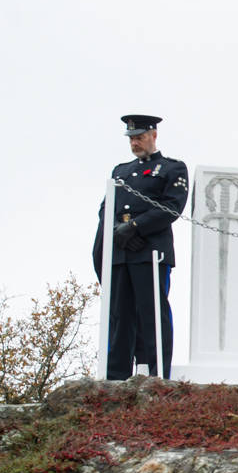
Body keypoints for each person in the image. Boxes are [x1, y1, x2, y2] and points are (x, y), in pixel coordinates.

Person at [92, 115, 188, 380]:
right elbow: (106, 207)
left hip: (150, 253)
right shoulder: (120, 171)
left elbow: (171, 206)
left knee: (152, 314)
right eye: (132, 138)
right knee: (120, 316)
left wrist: (134, 228)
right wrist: (117, 231)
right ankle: (116, 376)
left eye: (140, 137)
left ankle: (157, 375)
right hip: (121, 253)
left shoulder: (171, 169)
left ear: (153, 135)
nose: (135, 142)